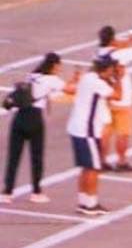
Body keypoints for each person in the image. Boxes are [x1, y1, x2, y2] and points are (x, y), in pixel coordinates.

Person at [2, 53, 76, 204]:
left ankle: (7, 191)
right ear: (54, 65)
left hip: (19, 117)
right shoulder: (52, 79)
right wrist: (77, 81)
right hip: (35, 119)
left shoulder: (33, 75)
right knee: (37, 157)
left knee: (13, 156)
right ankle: (36, 191)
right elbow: (70, 90)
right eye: (59, 66)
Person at [67, 56, 121, 215]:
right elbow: (117, 96)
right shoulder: (97, 83)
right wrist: (118, 78)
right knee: (93, 168)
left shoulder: (88, 77)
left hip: (77, 127)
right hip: (87, 130)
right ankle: (91, 203)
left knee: (85, 167)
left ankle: (83, 201)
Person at [96, 25, 132, 172]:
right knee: (123, 132)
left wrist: (131, 37)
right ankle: (121, 161)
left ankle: (101, 160)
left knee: (105, 132)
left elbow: (118, 45)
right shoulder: (120, 55)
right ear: (112, 39)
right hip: (122, 98)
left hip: (106, 97)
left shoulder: (100, 53)